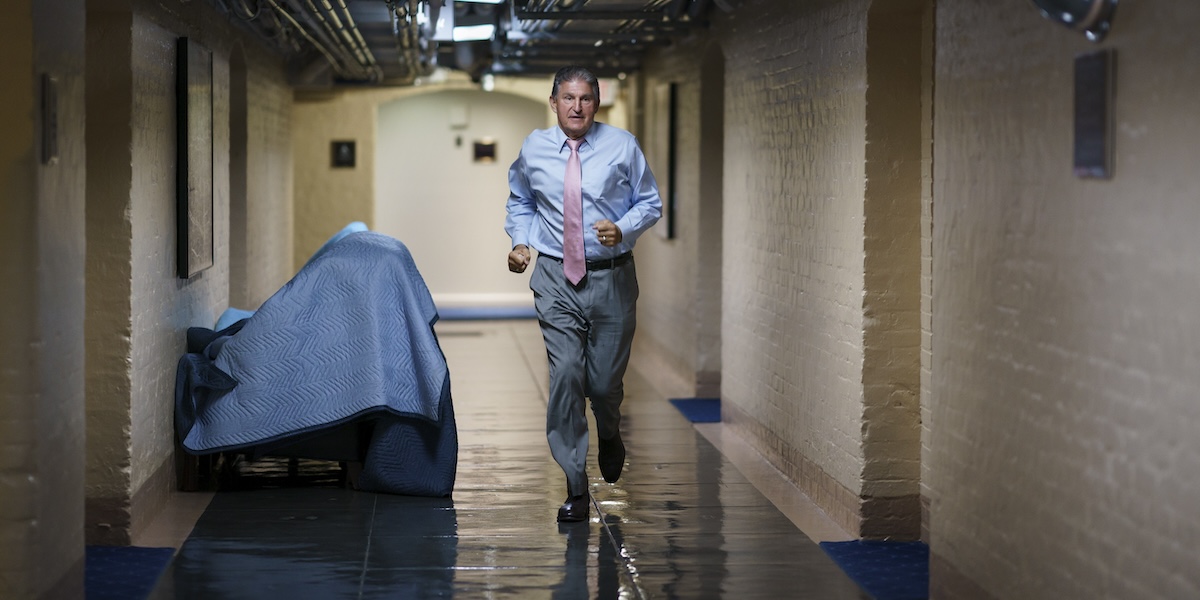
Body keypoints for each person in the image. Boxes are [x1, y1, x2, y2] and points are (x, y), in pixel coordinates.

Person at [504, 66, 662, 522]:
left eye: (586, 99)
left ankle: (610, 431)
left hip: (612, 277)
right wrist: (520, 242)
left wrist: (624, 227)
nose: (577, 107)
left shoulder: (622, 146)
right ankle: (575, 484)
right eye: (568, 98)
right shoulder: (534, 148)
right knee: (568, 376)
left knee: (603, 386)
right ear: (554, 101)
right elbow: (521, 199)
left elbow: (649, 201)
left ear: (597, 102)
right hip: (555, 276)